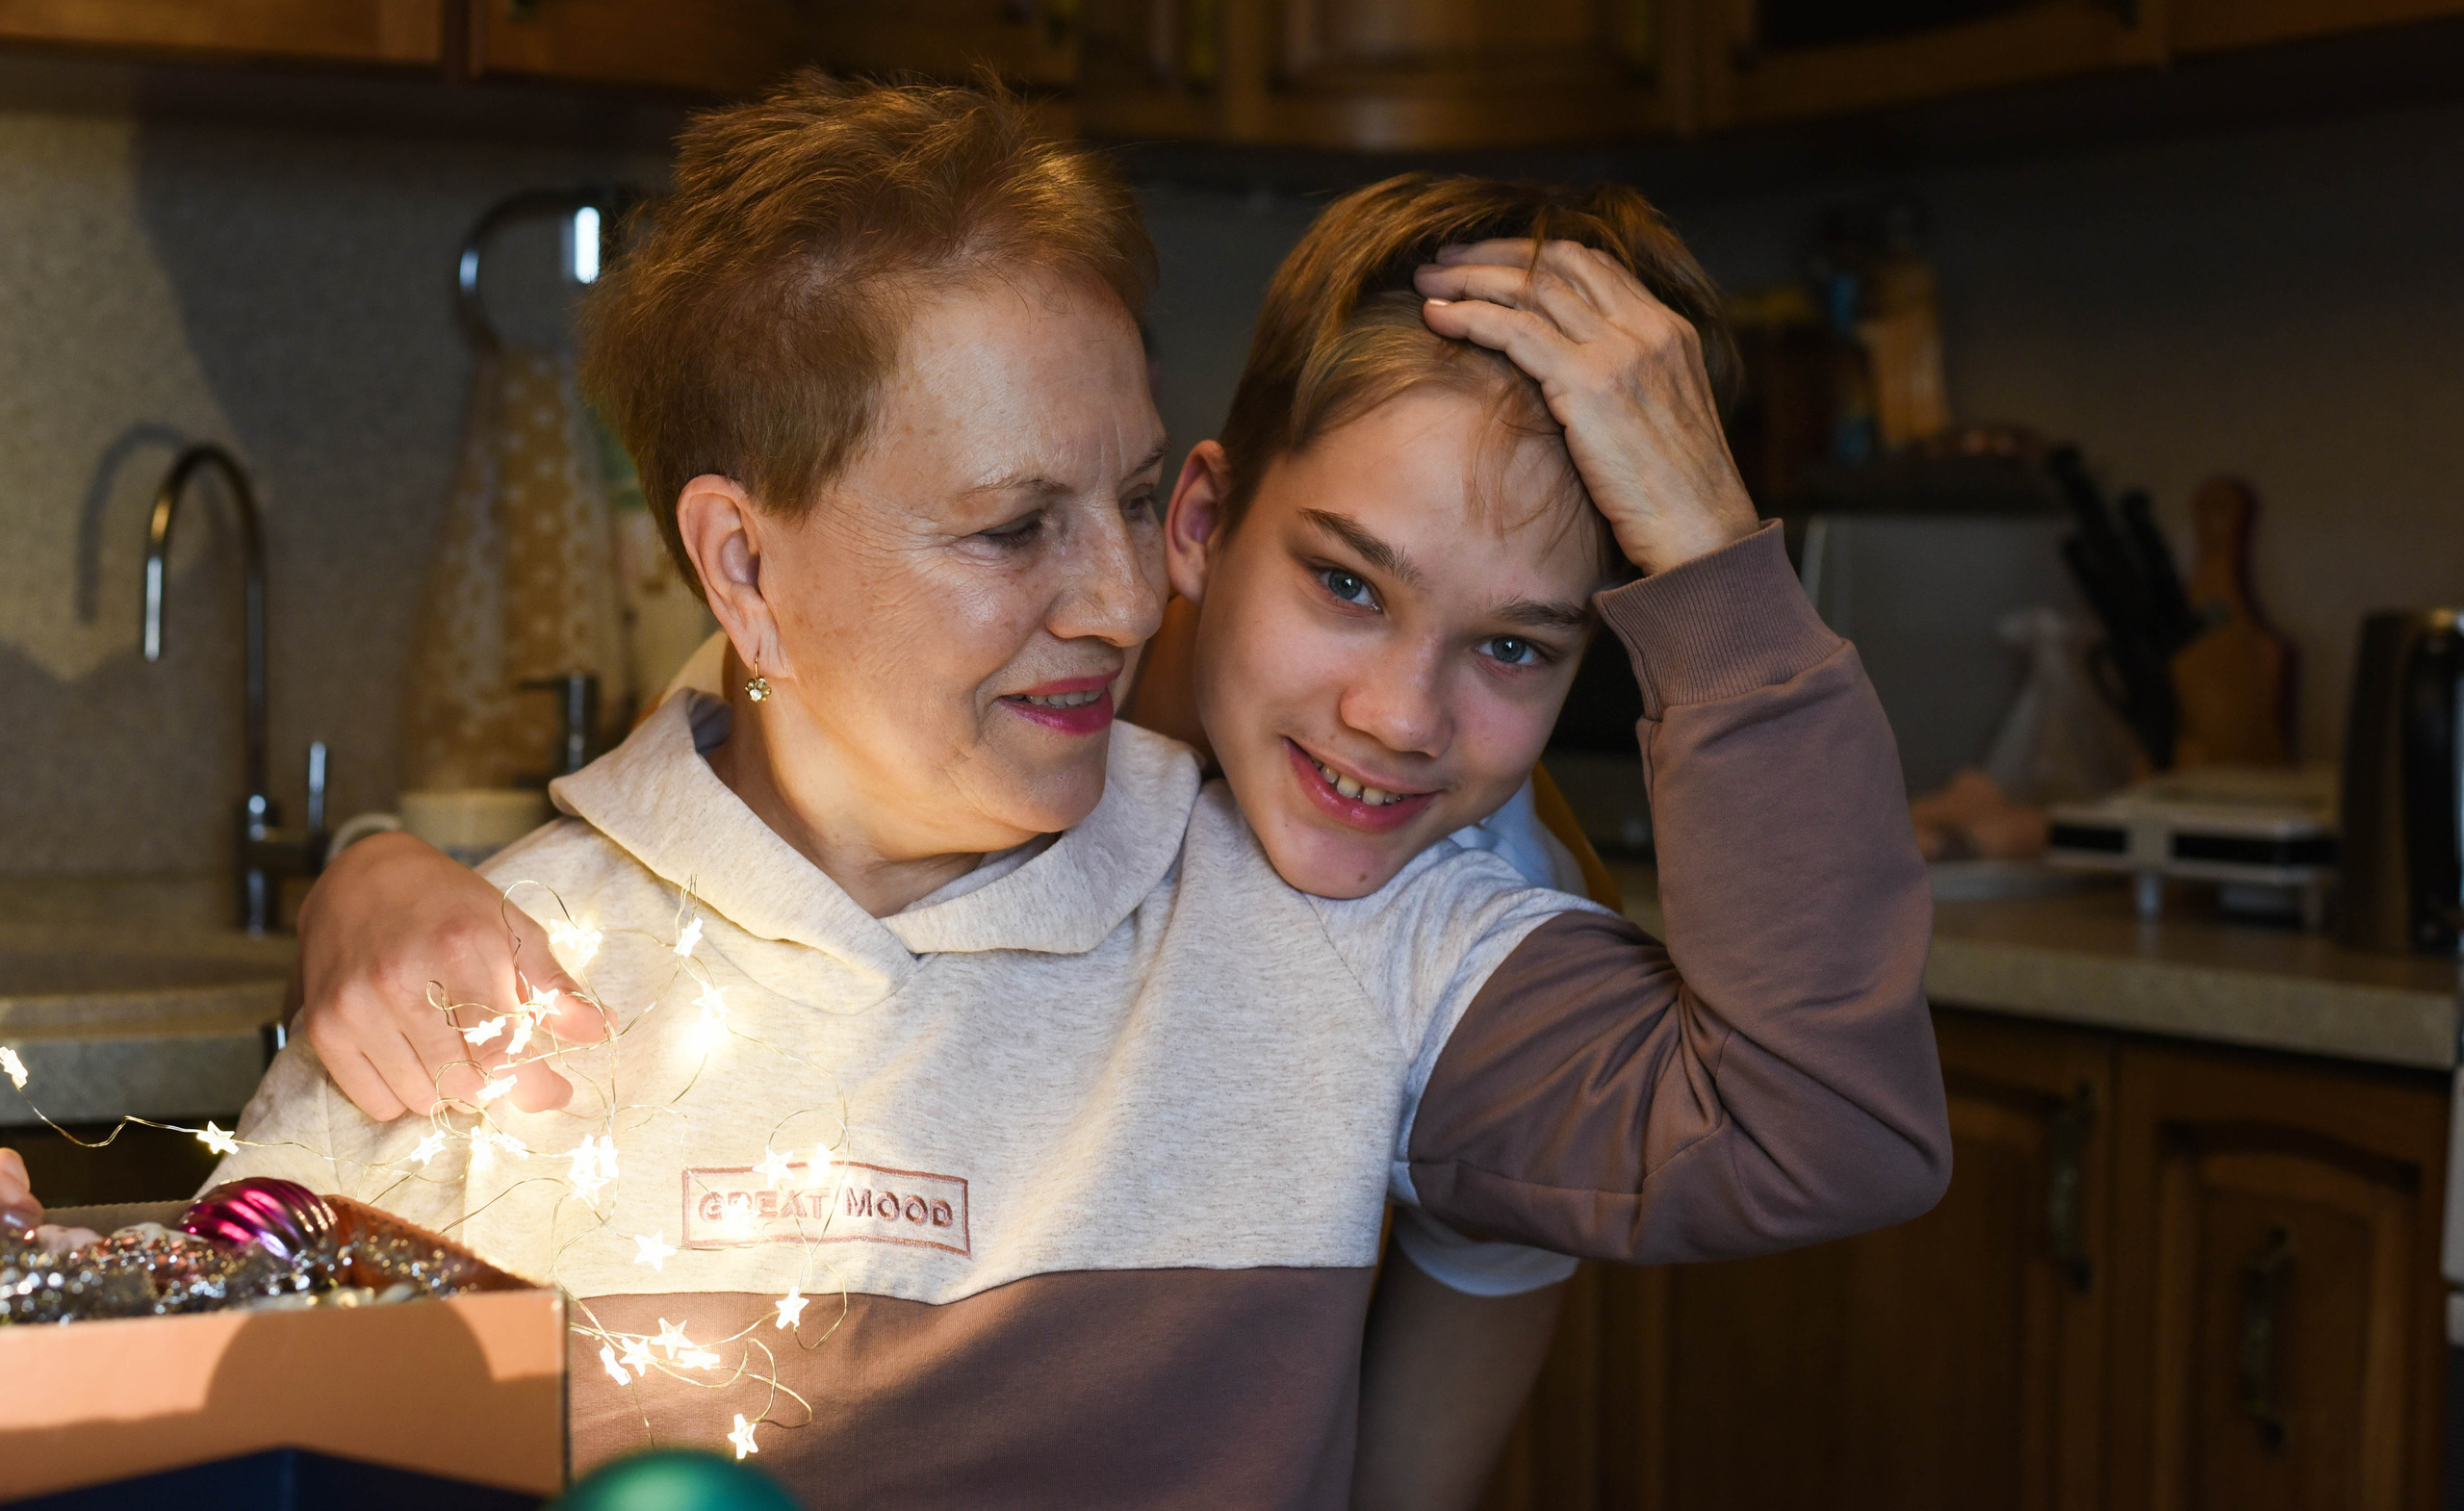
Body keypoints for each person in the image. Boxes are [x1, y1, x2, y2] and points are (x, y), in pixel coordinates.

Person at [6, 77, 1948, 1508]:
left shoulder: (1368, 938)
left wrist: (1705, 557)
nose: (1118, 603)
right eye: (1012, 526)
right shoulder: (469, 998)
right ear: (743, 567)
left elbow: (1824, 1128)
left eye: (1121, 507)